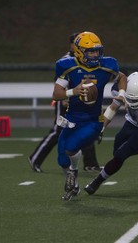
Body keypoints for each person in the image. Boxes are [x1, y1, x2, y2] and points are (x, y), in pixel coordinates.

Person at [52, 31, 127, 201]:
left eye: (97, 51)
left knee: (71, 147)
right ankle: (74, 184)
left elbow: (122, 78)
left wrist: (122, 94)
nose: (95, 55)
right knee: (62, 160)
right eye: (90, 51)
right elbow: (56, 94)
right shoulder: (67, 66)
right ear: (78, 51)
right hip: (72, 119)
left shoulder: (107, 65)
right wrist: (73, 91)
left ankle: (74, 172)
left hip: (93, 121)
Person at [28, 33, 102, 173]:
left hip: (79, 99)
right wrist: (65, 97)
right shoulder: (66, 60)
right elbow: (59, 82)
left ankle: (90, 164)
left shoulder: (85, 59)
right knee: (58, 130)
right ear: (72, 45)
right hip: (65, 98)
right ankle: (35, 159)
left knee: (86, 127)